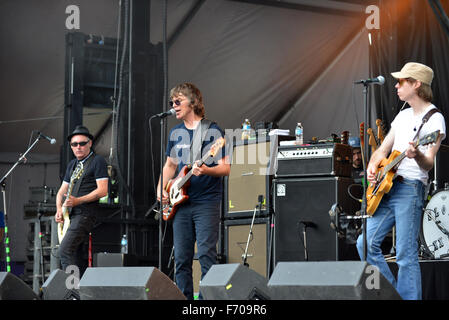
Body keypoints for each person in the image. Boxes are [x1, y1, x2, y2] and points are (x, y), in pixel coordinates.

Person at [356, 62, 446, 300]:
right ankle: (391, 296)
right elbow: (382, 150)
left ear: (416, 84)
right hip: (387, 188)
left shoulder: (435, 120)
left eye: (401, 82)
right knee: (364, 243)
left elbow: (428, 163)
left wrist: (416, 156)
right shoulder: (403, 115)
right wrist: (373, 166)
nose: (396, 85)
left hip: (409, 188)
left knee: (406, 255)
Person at [157, 82, 230, 300]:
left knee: (207, 255)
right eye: (172, 102)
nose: (173, 105)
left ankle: (208, 302)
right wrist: (161, 188)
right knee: (181, 259)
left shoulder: (212, 131)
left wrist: (207, 169)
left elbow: (226, 167)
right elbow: (170, 166)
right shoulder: (175, 132)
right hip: (180, 204)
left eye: (178, 101)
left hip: (206, 202)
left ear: (193, 102)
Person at [55, 125, 108, 276]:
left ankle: (72, 291)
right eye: (74, 144)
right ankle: (78, 292)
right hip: (70, 215)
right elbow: (61, 192)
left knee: (64, 250)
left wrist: (78, 200)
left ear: (90, 143)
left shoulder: (97, 161)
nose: (78, 147)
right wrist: (59, 209)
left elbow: (103, 190)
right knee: (74, 255)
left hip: (85, 213)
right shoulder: (72, 165)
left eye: (82, 143)